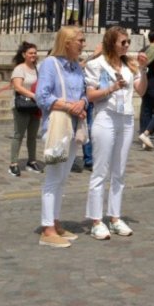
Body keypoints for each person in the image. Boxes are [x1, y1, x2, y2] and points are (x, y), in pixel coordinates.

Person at [84, 26, 144, 239]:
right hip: (106, 116)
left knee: (119, 170)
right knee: (101, 170)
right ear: (111, 43)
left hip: (126, 118)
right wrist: (111, 88)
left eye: (128, 42)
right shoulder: (96, 65)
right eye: (123, 42)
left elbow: (141, 90)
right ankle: (96, 220)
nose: (127, 46)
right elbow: (90, 95)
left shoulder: (130, 65)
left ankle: (115, 217)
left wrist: (143, 70)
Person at [35, 26, 89, 248]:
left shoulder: (77, 67)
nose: (83, 44)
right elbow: (42, 96)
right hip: (57, 125)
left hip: (74, 125)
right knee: (53, 177)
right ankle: (47, 229)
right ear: (66, 42)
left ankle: (55, 222)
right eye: (80, 40)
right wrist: (70, 106)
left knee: (63, 178)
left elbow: (84, 93)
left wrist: (82, 103)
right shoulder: (50, 64)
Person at [8, 42, 42, 176]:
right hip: (22, 105)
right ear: (24, 55)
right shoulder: (19, 69)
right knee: (19, 134)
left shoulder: (38, 68)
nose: (33, 55)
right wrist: (34, 95)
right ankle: (13, 163)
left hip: (35, 105)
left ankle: (32, 160)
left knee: (33, 136)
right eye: (30, 53)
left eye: (35, 53)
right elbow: (18, 87)